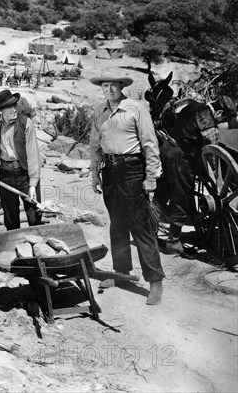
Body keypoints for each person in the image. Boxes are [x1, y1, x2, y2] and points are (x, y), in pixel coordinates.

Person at [89, 67, 165, 305]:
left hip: (132, 169)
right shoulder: (99, 112)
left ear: (121, 87)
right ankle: (121, 274)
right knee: (117, 224)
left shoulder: (136, 109)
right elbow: (94, 146)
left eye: (113, 85)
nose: (109, 89)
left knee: (140, 225)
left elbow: (150, 144)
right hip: (109, 171)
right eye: (104, 85)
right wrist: (95, 175)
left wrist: (151, 176)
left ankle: (155, 281)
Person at [156, 95, 237, 253]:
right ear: (219, 112)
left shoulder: (194, 106)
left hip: (166, 147)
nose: (223, 123)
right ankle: (173, 242)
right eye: (224, 119)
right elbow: (214, 158)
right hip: (179, 156)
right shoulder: (210, 127)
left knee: (163, 191)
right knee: (182, 196)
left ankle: (148, 234)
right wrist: (218, 183)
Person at [0, 89, 42, 230]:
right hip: (5, 173)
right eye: (10, 106)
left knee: (34, 212)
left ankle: (37, 245)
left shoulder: (26, 123)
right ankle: (15, 245)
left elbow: (33, 155)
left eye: (15, 105)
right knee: (10, 216)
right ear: (1, 110)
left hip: (24, 172)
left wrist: (32, 184)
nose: (14, 109)